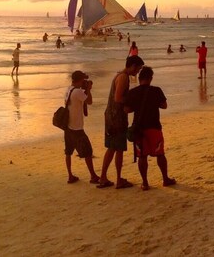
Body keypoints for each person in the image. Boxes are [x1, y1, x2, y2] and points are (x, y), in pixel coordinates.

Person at [97, 54, 145, 189]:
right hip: (117, 118)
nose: (138, 72)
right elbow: (118, 98)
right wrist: (132, 102)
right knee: (118, 149)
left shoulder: (119, 75)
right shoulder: (123, 77)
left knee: (112, 148)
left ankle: (103, 177)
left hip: (111, 116)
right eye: (138, 69)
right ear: (133, 66)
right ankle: (118, 179)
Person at [124, 66, 176, 190]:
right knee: (160, 154)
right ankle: (165, 179)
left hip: (139, 129)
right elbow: (164, 106)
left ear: (139, 78)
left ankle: (145, 183)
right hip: (154, 127)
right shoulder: (156, 90)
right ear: (150, 78)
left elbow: (126, 109)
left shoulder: (133, 92)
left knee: (142, 156)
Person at [64, 71, 100, 185]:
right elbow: (89, 101)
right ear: (80, 80)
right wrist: (88, 89)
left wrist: (85, 89)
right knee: (88, 152)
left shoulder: (69, 89)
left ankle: (70, 175)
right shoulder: (78, 92)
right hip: (77, 128)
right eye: (83, 80)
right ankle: (93, 176)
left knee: (68, 152)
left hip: (68, 127)